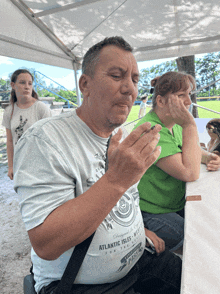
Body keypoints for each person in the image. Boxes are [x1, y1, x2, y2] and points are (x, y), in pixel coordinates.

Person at [13, 37, 182, 294]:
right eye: (117, 75)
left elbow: (124, 201)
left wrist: (139, 230)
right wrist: (116, 180)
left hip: (140, 261)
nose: (129, 89)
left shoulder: (119, 136)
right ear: (85, 84)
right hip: (80, 284)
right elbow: (46, 244)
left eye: (135, 80)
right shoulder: (44, 139)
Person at [133, 72, 220, 254]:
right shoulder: (151, 130)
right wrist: (190, 125)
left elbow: (187, 151)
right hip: (152, 212)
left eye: (189, 94)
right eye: (181, 96)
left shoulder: (174, 124)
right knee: (198, 243)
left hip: (175, 203)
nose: (189, 101)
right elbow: (189, 173)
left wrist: (207, 157)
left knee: (211, 222)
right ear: (161, 101)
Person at [1, 69, 52, 180]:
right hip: (20, 165)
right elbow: (9, 142)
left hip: (41, 165)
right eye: (22, 82)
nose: (27, 86)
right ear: (13, 85)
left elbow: (51, 139)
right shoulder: (9, 111)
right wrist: (10, 166)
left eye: (30, 83)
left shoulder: (41, 108)